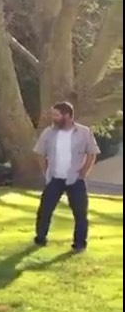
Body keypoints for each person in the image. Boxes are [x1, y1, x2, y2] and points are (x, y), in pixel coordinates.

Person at [33, 101, 100, 253]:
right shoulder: (48, 133)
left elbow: (92, 153)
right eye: (53, 114)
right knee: (45, 210)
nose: (53, 118)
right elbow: (40, 153)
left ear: (67, 116)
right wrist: (46, 173)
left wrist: (83, 173)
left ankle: (79, 244)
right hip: (55, 178)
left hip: (75, 179)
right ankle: (40, 238)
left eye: (56, 115)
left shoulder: (84, 132)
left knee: (80, 213)